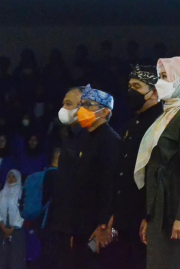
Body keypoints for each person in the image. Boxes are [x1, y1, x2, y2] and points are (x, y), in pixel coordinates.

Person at [136, 57, 180, 269]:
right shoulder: (167, 115)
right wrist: (149, 216)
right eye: (160, 77)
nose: (160, 82)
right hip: (160, 211)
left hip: (177, 212)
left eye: (166, 77)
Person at [110, 66, 164, 269]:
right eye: (129, 86)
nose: (131, 91)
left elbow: (158, 173)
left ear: (155, 92)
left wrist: (149, 215)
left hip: (144, 214)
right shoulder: (130, 125)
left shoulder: (161, 123)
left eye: (137, 86)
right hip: (124, 215)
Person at [69, 85, 121, 268]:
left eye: (89, 105)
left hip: (98, 223)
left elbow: (111, 185)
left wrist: (104, 224)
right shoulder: (82, 138)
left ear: (105, 111)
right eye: (82, 105)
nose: (83, 109)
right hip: (79, 222)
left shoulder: (112, 141)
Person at [39, 87, 86, 269]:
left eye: (68, 104)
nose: (63, 108)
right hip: (58, 222)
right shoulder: (64, 135)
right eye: (63, 104)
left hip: (76, 226)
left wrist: (76, 228)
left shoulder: (90, 139)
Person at [0, 170, 26, 269]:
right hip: (1, 230)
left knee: (15, 259)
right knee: (0, 258)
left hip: (16, 231)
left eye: (13, 176)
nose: (10, 179)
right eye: (9, 176)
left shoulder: (21, 193)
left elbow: (21, 212)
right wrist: (3, 227)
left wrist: (12, 228)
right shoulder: (1, 194)